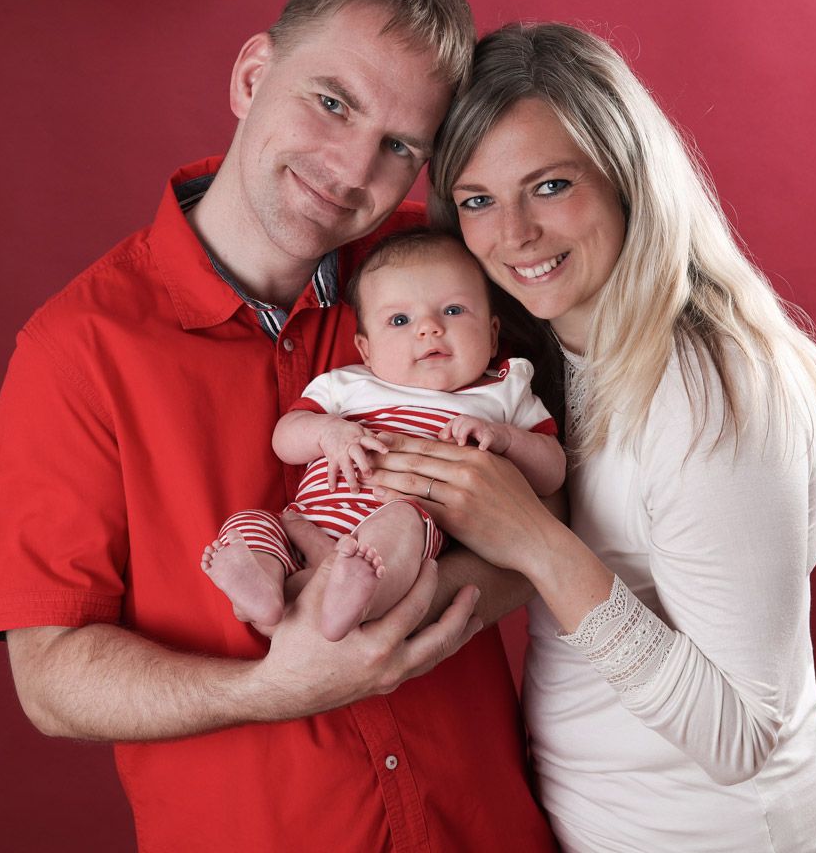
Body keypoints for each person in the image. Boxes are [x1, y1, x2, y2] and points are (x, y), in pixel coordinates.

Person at [0, 0, 559, 852]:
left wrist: (412, 609)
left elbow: (567, 504)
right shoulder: (76, 351)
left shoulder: (441, 279)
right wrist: (271, 689)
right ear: (253, 76)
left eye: (399, 146)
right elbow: (51, 678)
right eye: (331, 102)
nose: (351, 168)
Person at [367, 22, 816, 851]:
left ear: (628, 176)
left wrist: (536, 543)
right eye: (478, 200)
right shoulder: (544, 358)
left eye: (550, 185)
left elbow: (743, 736)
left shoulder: (711, 389)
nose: (513, 234)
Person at [201, 229, 565, 641]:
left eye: (453, 310)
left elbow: (552, 473)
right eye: (400, 320)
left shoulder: (503, 391)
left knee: (404, 521)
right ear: (367, 349)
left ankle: (355, 598)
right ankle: (261, 586)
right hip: (304, 520)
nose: (429, 329)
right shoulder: (346, 384)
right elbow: (284, 440)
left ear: (493, 334)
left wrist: (505, 439)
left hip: (399, 522)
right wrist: (329, 432)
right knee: (250, 523)